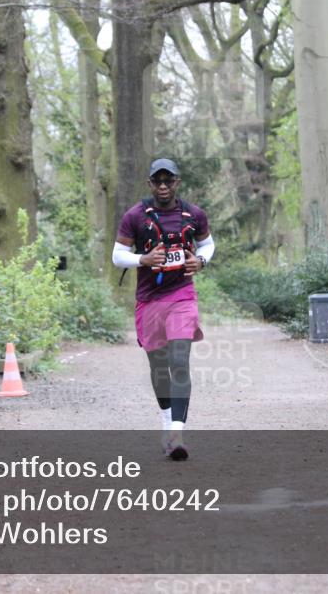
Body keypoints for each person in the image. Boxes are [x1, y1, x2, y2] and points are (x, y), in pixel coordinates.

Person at [111, 158, 215, 460]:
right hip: (149, 301)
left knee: (179, 360)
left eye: (169, 180)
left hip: (182, 296)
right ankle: (167, 421)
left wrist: (201, 261)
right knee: (159, 367)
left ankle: (177, 433)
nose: (163, 186)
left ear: (177, 182)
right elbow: (118, 256)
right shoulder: (135, 216)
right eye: (157, 181)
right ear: (150, 183)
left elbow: (207, 245)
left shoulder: (194, 214)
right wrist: (143, 260)